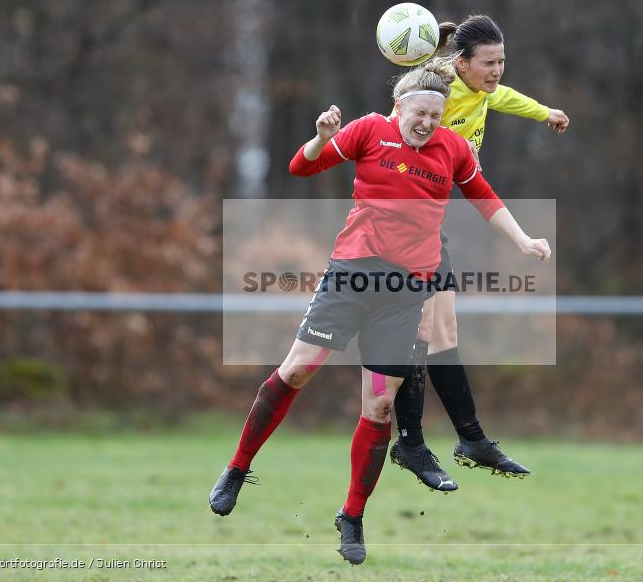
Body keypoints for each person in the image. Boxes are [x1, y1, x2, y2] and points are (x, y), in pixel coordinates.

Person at [208, 60, 552, 565]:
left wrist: (524, 240)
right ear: (399, 107)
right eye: (420, 113)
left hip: (404, 293)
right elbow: (300, 167)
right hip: (350, 278)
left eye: (436, 115)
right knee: (297, 370)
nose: (428, 123)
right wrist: (322, 138)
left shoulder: (453, 149)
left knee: (379, 408)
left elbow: (483, 196)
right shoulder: (369, 130)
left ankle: (352, 516)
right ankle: (238, 468)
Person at [388, 14, 570, 491]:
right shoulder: (437, 87)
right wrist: (429, 52)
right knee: (423, 332)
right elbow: (407, 107)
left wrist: (543, 111)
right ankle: (411, 441)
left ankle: (468, 438)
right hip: (404, 227)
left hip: (433, 224)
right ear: (460, 63)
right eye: (488, 63)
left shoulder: (483, 89)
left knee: (441, 330)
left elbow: (504, 97)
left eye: (502, 61)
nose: (497, 71)